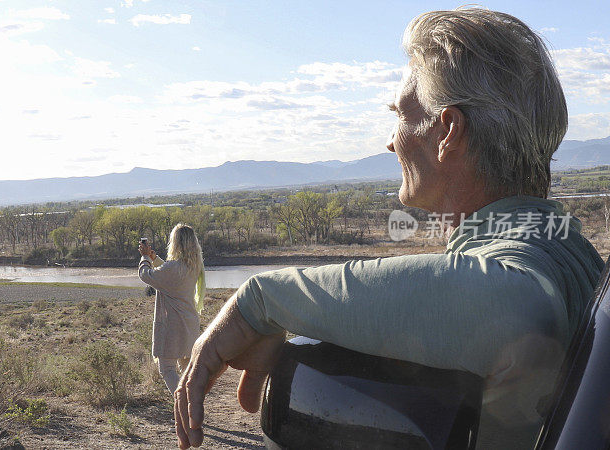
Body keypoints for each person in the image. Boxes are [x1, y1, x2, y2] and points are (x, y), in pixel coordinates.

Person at [173, 7, 605, 450]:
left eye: (401, 114)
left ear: (448, 132)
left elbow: (520, 311)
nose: (390, 140)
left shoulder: (525, 269)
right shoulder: (572, 253)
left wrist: (262, 300)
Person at [138, 223, 206, 395]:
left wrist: (145, 258)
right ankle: (192, 407)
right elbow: (170, 275)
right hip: (190, 324)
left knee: (167, 368)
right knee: (187, 371)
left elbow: (146, 275)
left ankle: (183, 405)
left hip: (173, 326)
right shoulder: (193, 266)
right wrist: (155, 259)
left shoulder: (173, 268)